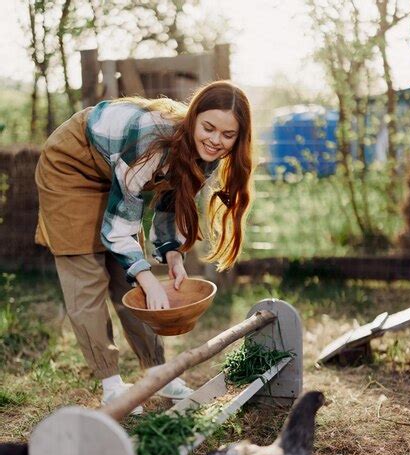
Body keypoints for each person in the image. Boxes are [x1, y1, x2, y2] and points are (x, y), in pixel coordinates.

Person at [35, 80, 253, 414]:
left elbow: (171, 203)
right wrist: (147, 276)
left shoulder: (208, 154)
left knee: (130, 278)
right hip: (71, 165)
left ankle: (157, 373)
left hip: (116, 169)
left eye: (228, 135)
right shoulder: (152, 140)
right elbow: (120, 230)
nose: (215, 141)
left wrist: (173, 253)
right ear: (193, 118)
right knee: (89, 276)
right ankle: (111, 385)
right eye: (208, 128)